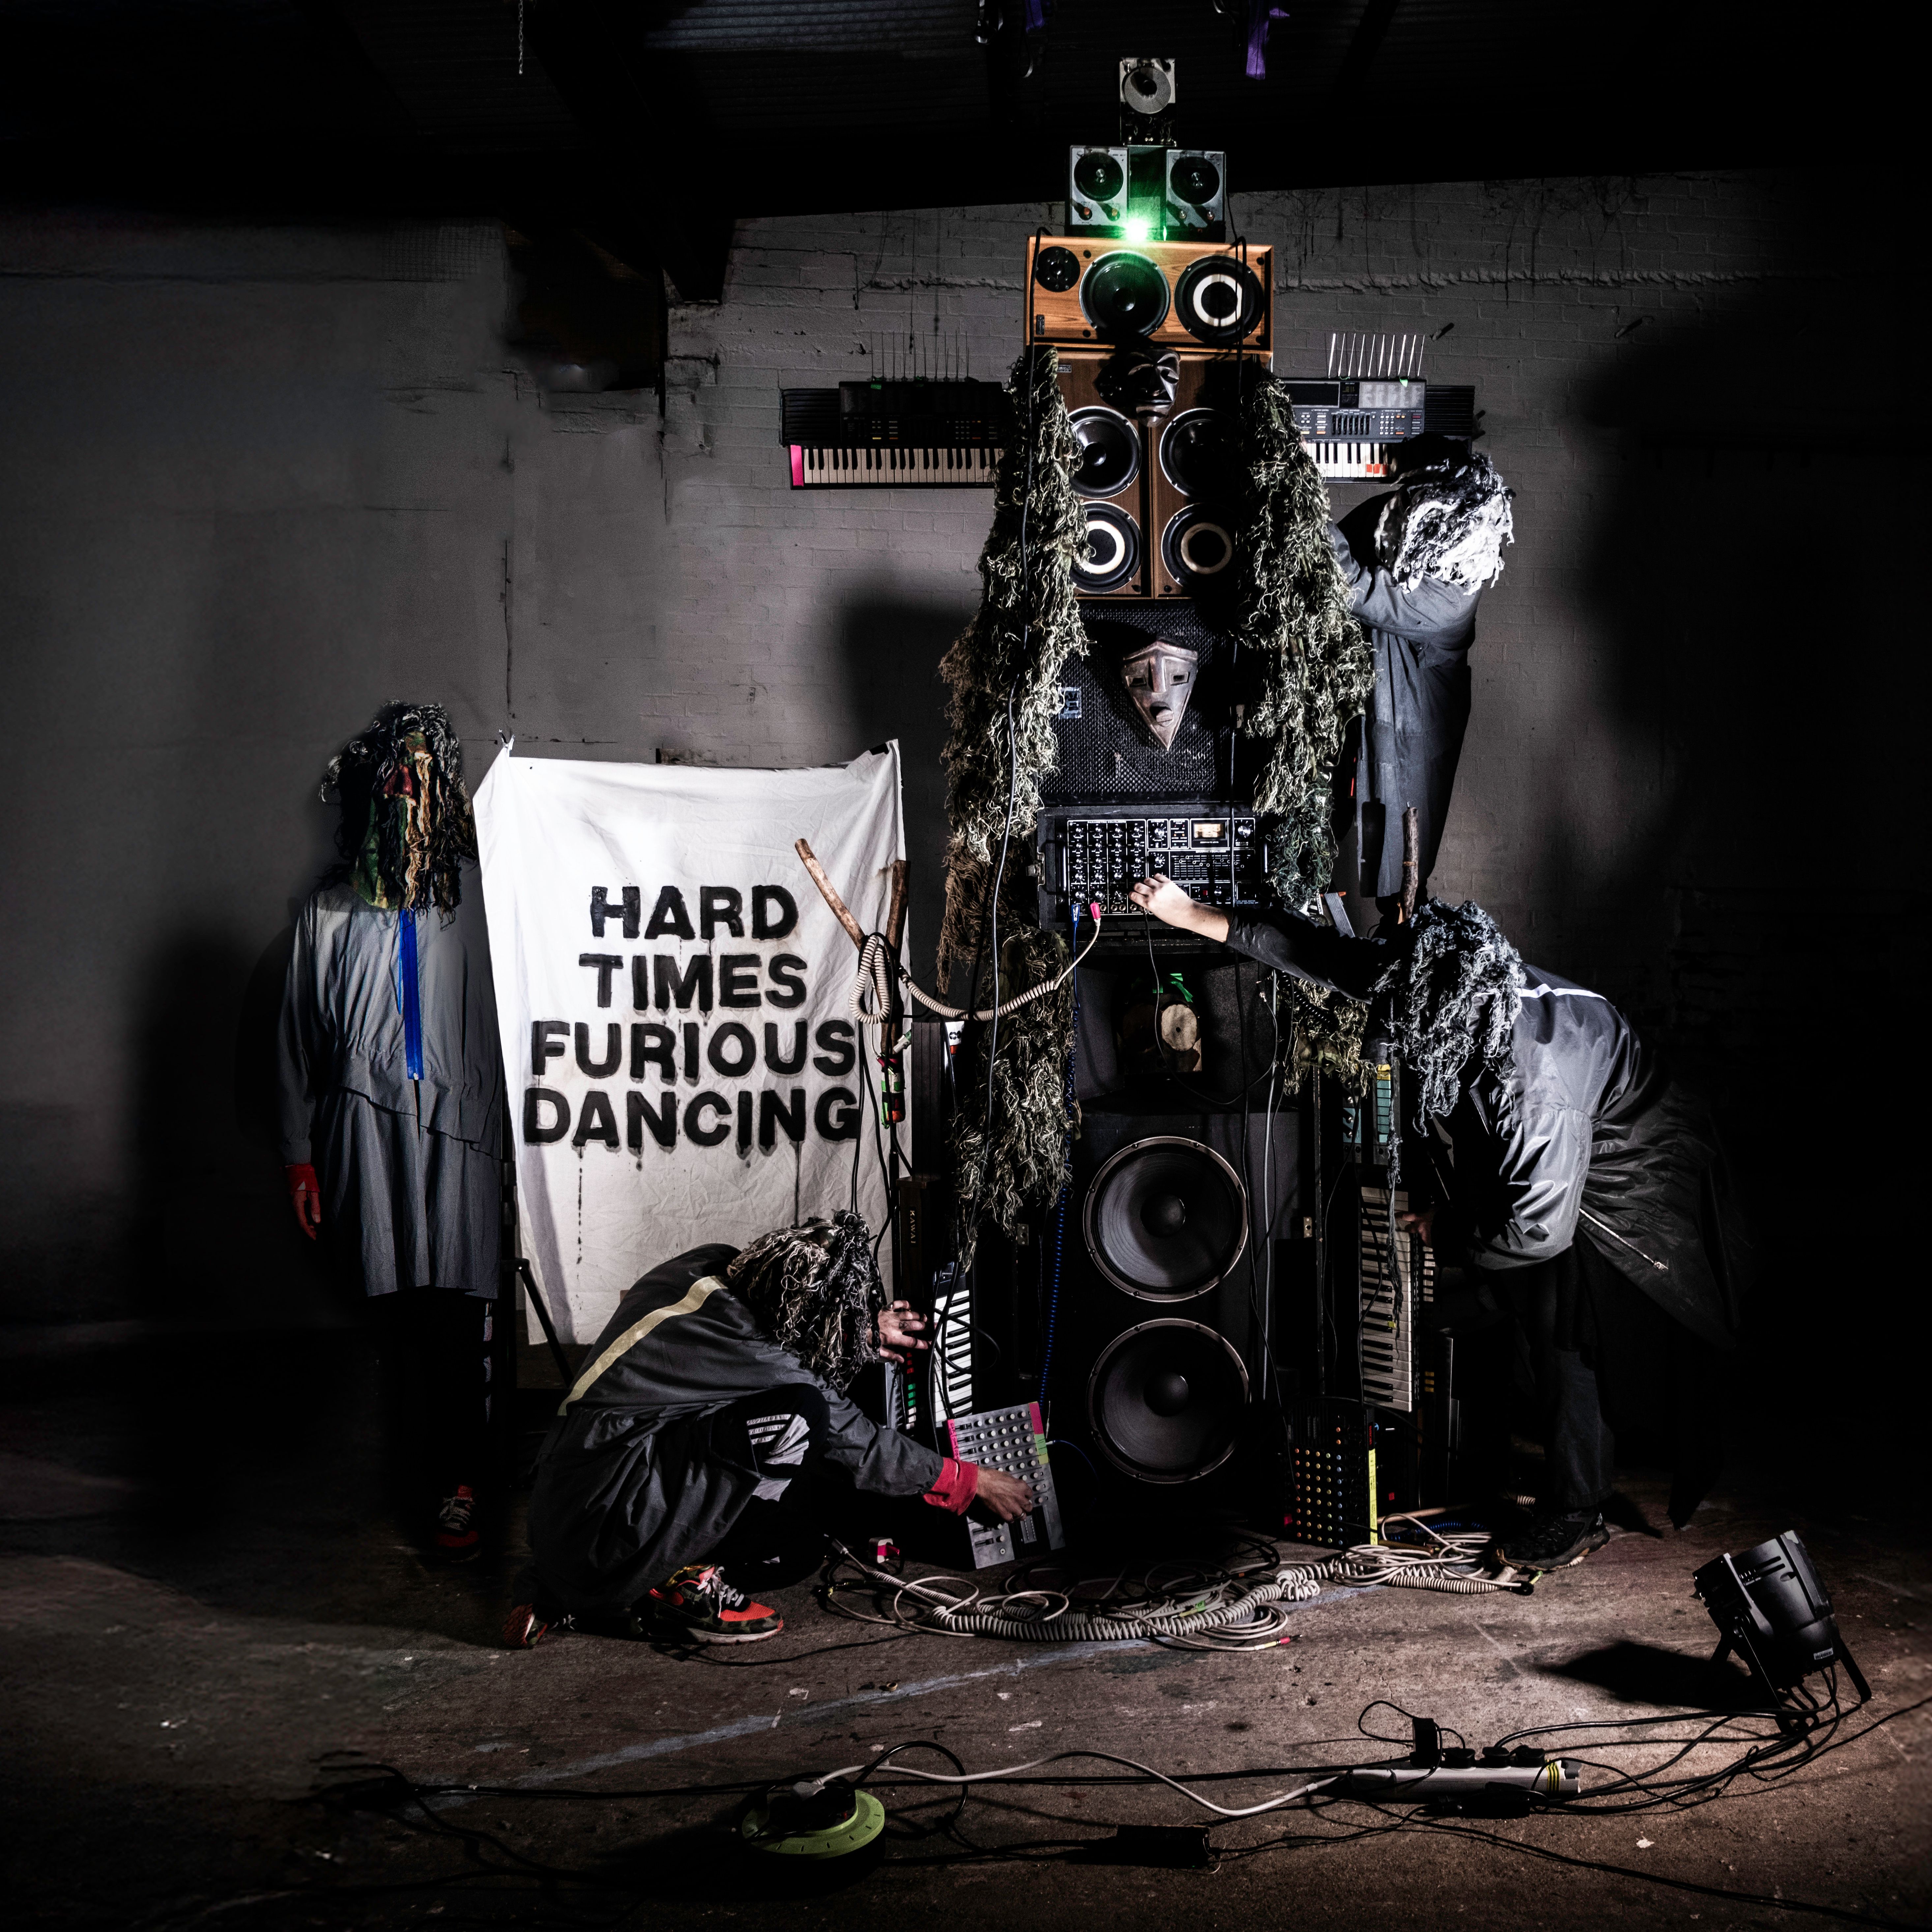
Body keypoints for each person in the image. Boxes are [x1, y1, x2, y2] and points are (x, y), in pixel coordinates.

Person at [1128, 875, 1746, 1572]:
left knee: (1567, 1326)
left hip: (1631, 1171)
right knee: (1523, 1303)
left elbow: (1541, 1229)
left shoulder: (1535, 1085)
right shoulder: (1430, 975)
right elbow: (1305, 948)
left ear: (1455, 1030)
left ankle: (1578, 1510)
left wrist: (1447, 1230)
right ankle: (1537, 1443)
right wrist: (1187, 913)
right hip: (1562, 1143)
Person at [504, 1214, 1034, 1647]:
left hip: (572, 1500)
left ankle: (581, 1583)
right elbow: (858, 1444)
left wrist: (854, 1329)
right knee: (801, 1430)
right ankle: (665, 1585)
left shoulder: (705, 1266)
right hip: (607, 1525)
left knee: (796, 1531)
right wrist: (969, 1481)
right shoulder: (756, 1347)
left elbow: (774, 1329)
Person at [277, 702, 504, 1562]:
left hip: (461, 1130)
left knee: (457, 1307)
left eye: (423, 775)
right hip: (363, 1130)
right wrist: (298, 1154)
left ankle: (460, 1481)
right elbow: (295, 1040)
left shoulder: (482, 903)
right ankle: (412, 1473)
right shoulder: (331, 913)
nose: (407, 792)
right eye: (394, 776)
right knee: (396, 1305)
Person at [1329, 442, 1513, 928]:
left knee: (1398, 814)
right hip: (1389, 688)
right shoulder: (1415, 526)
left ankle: (1402, 923)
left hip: (1416, 711)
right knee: (1371, 797)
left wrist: (1306, 502)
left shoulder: (1448, 595)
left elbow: (1355, 588)